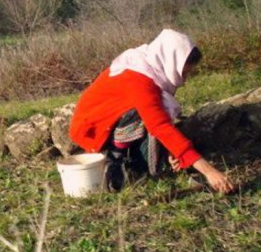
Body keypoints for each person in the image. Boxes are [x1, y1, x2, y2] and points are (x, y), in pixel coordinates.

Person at [69, 28, 235, 193]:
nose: (183, 81)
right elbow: (159, 125)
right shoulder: (138, 78)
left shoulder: (151, 70)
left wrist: (171, 151)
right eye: (183, 73)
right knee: (141, 114)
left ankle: (136, 162)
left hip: (114, 125)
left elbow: (160, 119)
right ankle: (116, 159)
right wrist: (209, 171)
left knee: (153, 117)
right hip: (95, 131)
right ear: (170, 60)